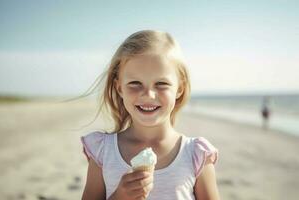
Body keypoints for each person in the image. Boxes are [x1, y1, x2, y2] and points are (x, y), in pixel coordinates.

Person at [80, 30, 220, 200]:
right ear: (119, 88)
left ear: (179, 89)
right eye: (135, 83)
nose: (148, 94)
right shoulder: (104, 151)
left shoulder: (195, 154)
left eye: (161, 83)